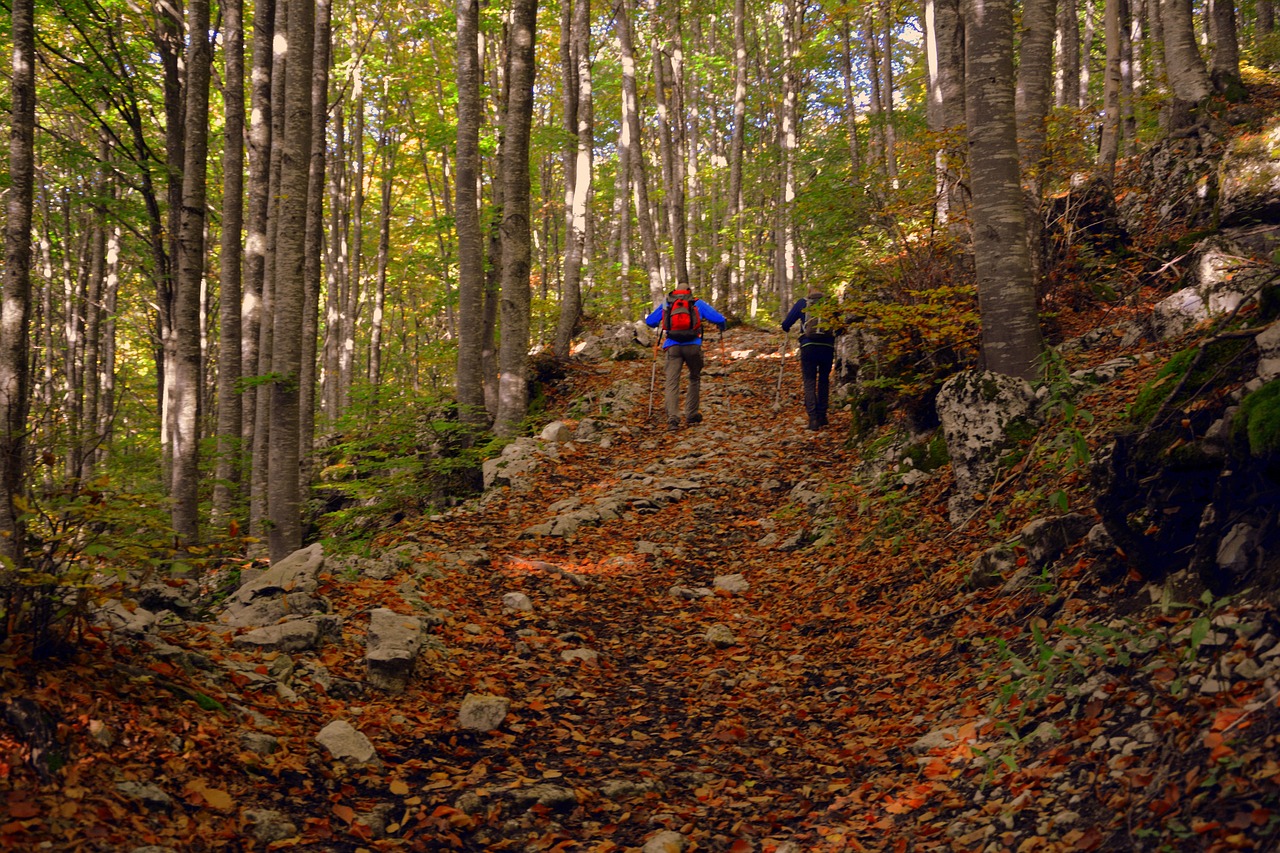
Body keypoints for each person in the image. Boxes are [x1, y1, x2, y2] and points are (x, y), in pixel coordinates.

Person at [644, 284, 727, 431]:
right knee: (694, 377)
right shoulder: (696, 302)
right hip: (693, 346)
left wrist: (662, 320)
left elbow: (650, 321)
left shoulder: (667, 302)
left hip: (672, 347)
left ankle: (673, 419)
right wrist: (722, 326)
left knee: (672, 382)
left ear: (675, 292)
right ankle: (691, 413)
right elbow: (718, 318)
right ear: (689, 291)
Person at [781, 289, 838, 430]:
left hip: (808, 346)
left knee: (809, 381)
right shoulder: (830, 303)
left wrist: (788, 327)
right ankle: (822, 416)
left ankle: (813, 419)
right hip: (827, 346)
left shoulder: (803, 303)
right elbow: (841, 326)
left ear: (809, 293)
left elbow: (786, 324)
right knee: (824, 380)